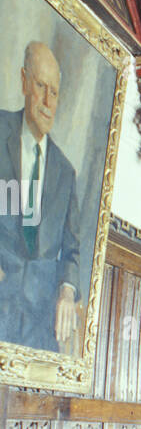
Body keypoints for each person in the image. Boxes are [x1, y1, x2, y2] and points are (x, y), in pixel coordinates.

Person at [0, 42, 80, 353]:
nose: (47, 101)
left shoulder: (65, 172)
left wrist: (67, 291)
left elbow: (72, 250)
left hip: (40, 317)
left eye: (54, 92)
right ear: (23, 81)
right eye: (40, 86)